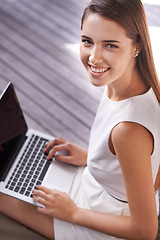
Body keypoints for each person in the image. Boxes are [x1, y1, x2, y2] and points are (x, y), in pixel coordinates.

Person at [0, 0, 160, 239]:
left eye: (111, 45)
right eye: (87, 41)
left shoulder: (128, 130)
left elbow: (145, 231)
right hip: (95, 188)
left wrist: (72, 213)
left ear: (137, 46)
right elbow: (152, 168)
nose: (94, 58)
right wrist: (94, 159)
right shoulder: (131, 87)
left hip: (101, 222)